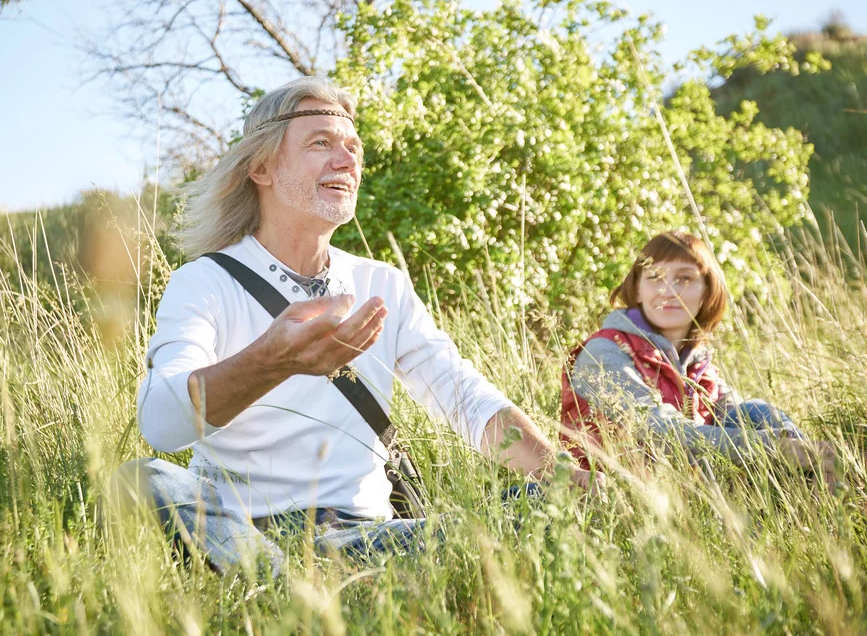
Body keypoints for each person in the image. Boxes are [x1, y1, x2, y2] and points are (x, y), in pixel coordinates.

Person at [118, 76, 598, 576]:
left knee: (538, 503)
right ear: (260, 166)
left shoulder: (381, 284)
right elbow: (162, 423)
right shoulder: (204, 281)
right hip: (245, 528)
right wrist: (272, 361)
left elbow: (465, 399)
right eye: (321, 143)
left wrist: (562, 477)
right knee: (143, 480)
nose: (347, 161)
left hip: (373, 536)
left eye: (353, 147)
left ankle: (301, 584)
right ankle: (277, 578)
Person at [559, 230, 836, 483]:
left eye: (685, 278)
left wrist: (791, 444)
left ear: (707, 291)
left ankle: (827, 499)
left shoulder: (694, 362)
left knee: (758, 413)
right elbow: (657, 431)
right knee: (768, 440)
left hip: (688, 489)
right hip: (614, 496)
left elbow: (737, 413)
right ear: (638, 289)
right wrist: (771, 447)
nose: (668, 290)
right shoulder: (604, 352)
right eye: (654, 277)